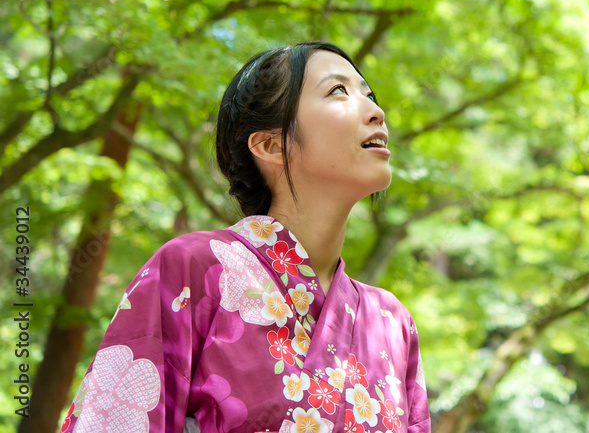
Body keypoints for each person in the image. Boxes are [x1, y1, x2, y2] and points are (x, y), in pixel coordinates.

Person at [61, 41, 430, 433]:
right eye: (338, 90)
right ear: (271, 145)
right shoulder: (194, 268)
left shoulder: (391, 322)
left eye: (369, 94)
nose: (377, 112)